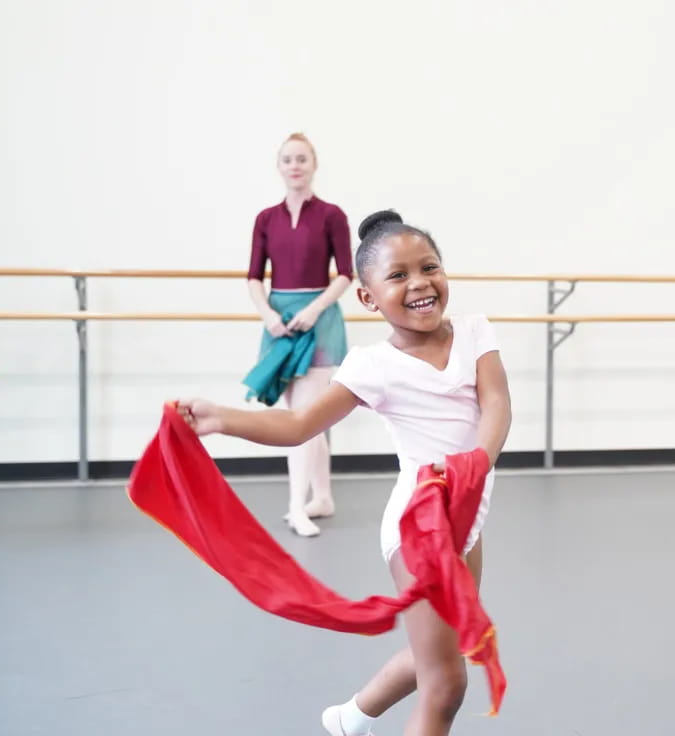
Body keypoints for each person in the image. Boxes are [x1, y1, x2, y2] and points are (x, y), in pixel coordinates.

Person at [180, 210, 512, 735]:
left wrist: (473, 467)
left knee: (444, 646)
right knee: (446, 685)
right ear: (368, 296)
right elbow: (298, 424)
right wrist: (222, 418)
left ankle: (349, 718)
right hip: (417, 527)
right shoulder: (372, 365)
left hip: (465, 516)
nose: (420, 283)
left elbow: (497, 406)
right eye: (398, 276)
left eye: (429, 267)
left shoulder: (474, 332)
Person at [246, 133, 353, 537]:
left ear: (313, 165)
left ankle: (296, 507)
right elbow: (254, 276)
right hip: (279, 322)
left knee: (303, 419)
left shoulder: (331, 215)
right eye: (288, 159)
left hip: (319, 321)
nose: (295, 165)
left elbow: (345, 272)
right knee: (303, 417)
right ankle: (322, 497)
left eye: (302, 159)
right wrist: (268, 315)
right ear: (279, 166)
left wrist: (312, 310)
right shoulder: (266, 219)